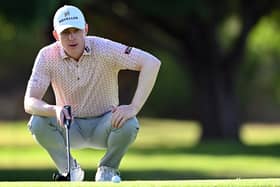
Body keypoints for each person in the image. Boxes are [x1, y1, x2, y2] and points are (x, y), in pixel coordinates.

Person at [24, 5, 161, 181]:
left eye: (76, 30)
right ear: (56, 35)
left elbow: (151, 63)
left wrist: (134, 107)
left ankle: (108, 169)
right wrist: (54, 110)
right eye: (65, 32)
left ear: (86, 29)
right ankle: (69, 170)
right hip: (69, 127)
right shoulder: (47, 56)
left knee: (129, 122)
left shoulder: (104, 48)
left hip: (105, 126)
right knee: (37, 121)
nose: (72, 37)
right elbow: (29, 102)